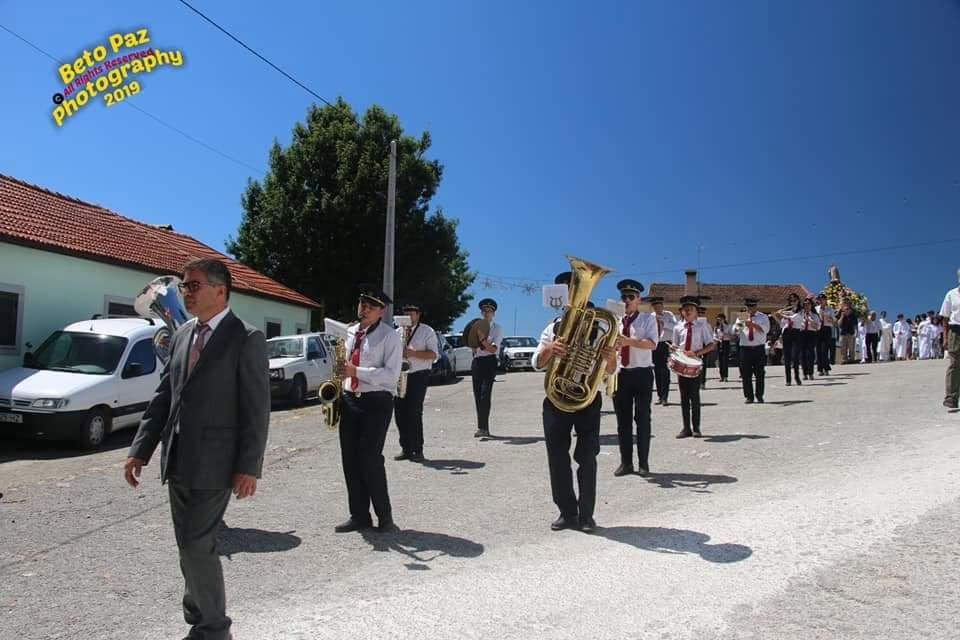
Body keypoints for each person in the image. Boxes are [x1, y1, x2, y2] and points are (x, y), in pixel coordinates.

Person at [124, 258, 270, 640]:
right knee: (187, 544)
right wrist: (140, 448)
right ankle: (198, 612)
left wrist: (249, 466)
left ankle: (214, 628)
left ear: (220, 290)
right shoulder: (184, 334)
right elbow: (165, 395)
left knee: (195, 543)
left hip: (218, 462)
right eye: (184, 286)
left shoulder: (246, 336)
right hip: (178, 456)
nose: (185, 292)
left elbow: (257, 408)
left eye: (193, 286)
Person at [532, 270, 618, 533]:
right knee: (557, 458)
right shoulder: (552, 327)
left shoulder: (602, 325)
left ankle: (586, 515)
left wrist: (610, 356)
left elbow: (613, 369)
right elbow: (537, 362)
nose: (573, 293)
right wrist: (550, 350)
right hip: (557, 400)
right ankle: (566, 512)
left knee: (587, 457)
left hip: (587, 399)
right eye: (568, 289)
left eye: (576, 287)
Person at [334, 285, 403, 534]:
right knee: (350, 460)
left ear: (381, 312)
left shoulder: (389, 336)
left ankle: (385, 518)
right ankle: (359, 516)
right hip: (350, 399)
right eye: (362, 304)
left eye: (370, 306)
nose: (364, 309)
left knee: (370, 459)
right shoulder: (350, 332)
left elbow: (391, 375)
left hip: (377, 402)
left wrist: (357, 372)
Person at [612, 279, 659, 477]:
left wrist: (628, 341)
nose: (627, 300)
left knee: (642, 419)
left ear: (639, 300)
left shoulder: (648, 319)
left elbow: (651, 344)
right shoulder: (614, 320)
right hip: (620, 373)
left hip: (642, 373)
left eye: (631, 297)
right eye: (623, 297)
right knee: (622, 421)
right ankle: (626, 463)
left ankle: (644, 463)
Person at [393, 303, 439, 462]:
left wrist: (413, 353)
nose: (409, 316)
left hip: (419, 375)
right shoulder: (397, 332)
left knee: (414, 412)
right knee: (399, 413)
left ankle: (417, 449)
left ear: (418, 315)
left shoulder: (427, 331)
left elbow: (433, 355)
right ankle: (405, 448)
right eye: (406, 313)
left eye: (412, 313)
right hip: (400, 375)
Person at [673, 296, 716, 438]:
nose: (688, 312)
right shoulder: (678, 327)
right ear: (682, 312)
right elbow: (674, 346)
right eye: (685, 310)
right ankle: (686, 428)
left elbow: (711, 345)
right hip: (682, 364)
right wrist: (674, 351)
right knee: (684, 397)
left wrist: (696, 353)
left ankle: (696, 427)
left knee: (695, 397)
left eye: (691, 309)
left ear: (696, 312)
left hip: (696, 363)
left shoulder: (702, 326)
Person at [471, 298, 503, 438]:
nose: (486, 313)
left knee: (485, 394)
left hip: (489, 362)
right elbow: (471, 345)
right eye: (484, 311)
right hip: (477, 361)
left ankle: (484, 428)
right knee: (477, 394)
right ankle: (481, 427)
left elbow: (492, 349)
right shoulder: (476, 326)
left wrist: (482, 339)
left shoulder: (497, 329)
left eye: (489, 311)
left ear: (494, 313)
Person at [732, 297, 769, 403]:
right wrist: (742, 322)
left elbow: (765, 329)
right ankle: (749, 396)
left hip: (758, 348)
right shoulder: (742, 316)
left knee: (760, 374)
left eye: (752, 306)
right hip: (745, 348)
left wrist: (752, 324)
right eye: (748, 306)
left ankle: (759, 395)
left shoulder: (763, 317)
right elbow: (735, 331)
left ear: (756, 306)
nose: (750, 308)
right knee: (746, 374)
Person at [649, 296, 676, 405]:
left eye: (659, 306)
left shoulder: (668, 315)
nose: (657, 308)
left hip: (666, 343)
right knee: (657, 371)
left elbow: (676, 327)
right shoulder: (650, 316)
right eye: (655, 306)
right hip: (655, 345)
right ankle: (660, 396)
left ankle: (665, 396)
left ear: (662, 306)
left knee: (665, 371)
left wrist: (664, 323)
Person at [941, 270, 960, 409]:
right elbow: (945, 318)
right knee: (954, 364)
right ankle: (951, 398)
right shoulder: (951, 294)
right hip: (955, 331)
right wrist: (945, 338)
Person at [780, 293, 802, 386]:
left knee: (795, 356)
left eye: (795, 300)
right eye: (791, 301)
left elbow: (793, 318)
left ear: (798, 300)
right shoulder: (787, 311)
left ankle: (797, 377)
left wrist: (782, 313)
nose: (793, 302)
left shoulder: (801, 310)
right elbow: (782, 324)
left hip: (796, 333)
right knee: (787, 357)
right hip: (786, 333)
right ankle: (788, 379)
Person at [798, 297, 822, 380]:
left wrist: (810, 320)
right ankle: (805, 373)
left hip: (811, 334)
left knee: (810, 354)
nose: (807, 306)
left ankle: (811, 373)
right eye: (805, 305)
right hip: (801, 334)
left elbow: (818, 327)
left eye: (808, 305)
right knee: (802, 354)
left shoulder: (815, 315)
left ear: (811, 306)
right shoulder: (800, 314)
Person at [815, 294, 836, 375]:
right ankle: (820, 369)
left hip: (827, 329)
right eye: (819, 299)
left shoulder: (829, 309)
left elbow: (834, 320)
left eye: (822, 299)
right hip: (818, 329)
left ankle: (826, 368)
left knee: (825, 350)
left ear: (825, 300)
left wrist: (828, 318)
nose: (820, 301)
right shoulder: (816, 309)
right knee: (818, 350)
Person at [837, 300, 858, 364]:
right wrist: (842, 316)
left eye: (848, 309)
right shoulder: (841, 315)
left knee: (851, 348)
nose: (847, 310)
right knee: (843, 348)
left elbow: (855, 325)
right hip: (843, 333)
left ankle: (852, 359)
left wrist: (856, 332)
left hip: (851, 333)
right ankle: (844, 359)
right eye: (845, 309)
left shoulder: (853, 315)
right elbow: (839, 324)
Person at [714, 313, 732, 382]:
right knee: (720, 361)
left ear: (724, 319)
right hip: (719, 343)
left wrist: (725, 334)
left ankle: (725, 376)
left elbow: (732, 336)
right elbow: (714, 336)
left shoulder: (728, 326)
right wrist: (717, 339)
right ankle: (721, 376)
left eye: (720, 319)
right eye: (718, 319)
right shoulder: (716, 327)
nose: (719, 321)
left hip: (726, 343)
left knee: (725, 361)